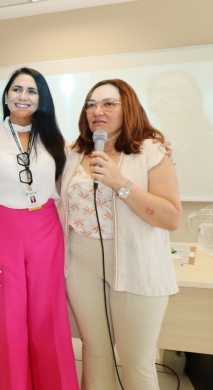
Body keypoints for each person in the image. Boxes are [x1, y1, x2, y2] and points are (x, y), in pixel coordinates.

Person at [60, 79, 181, 390]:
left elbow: (170, 218)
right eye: (90, 104)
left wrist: (120, 183)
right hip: (80, 262)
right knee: (94, 351)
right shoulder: (73, 152)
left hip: (137, 264)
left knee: (137, 363)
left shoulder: (151, 151)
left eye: (108, 103)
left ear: (128, 108)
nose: (97, 110)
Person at [0, 68, 79, 389]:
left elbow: (72, 181)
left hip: (45, 228)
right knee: (7, 319)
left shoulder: (55, 140)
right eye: (17, 89)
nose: (23, 96)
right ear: (6, 96)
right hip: (2, 230)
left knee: (48, 317)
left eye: (31, 91)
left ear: (41, 100)